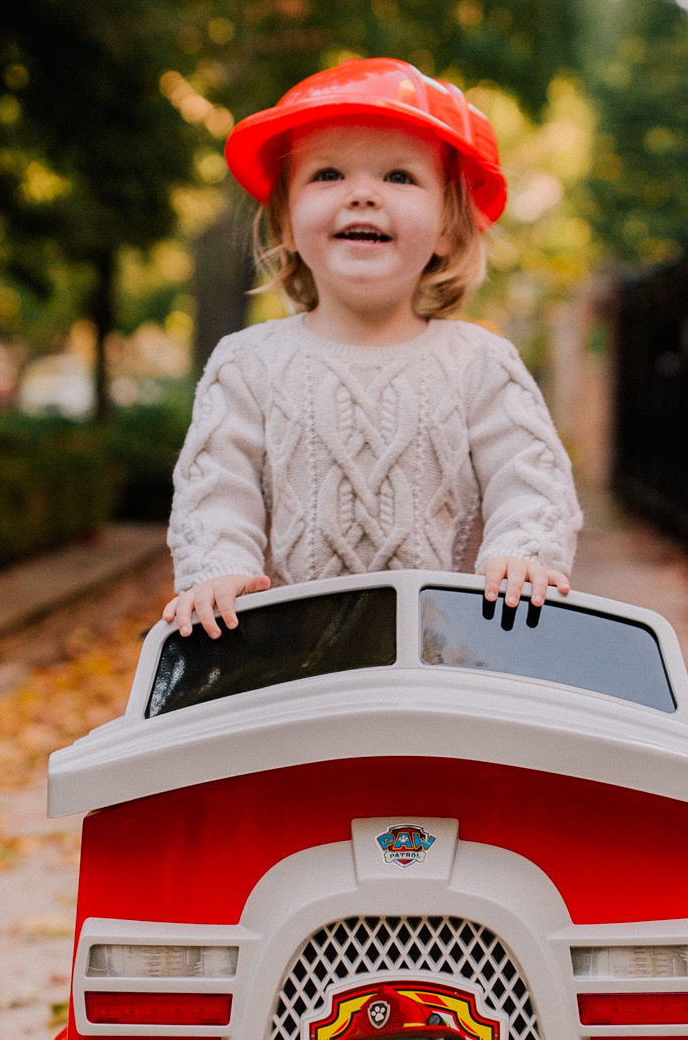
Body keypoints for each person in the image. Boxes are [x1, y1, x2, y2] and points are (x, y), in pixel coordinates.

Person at [162, 58, 581, 639]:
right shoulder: (247, 364)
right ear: (285, 220)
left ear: (447, 228)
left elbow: (529, 479)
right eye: (328, 174)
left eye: (399, 177)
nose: (362, 195)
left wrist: (523, 548)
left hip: (451, 652)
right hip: (292, 659)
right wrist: (220, 568)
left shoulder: (481, 364)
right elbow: (218, 492)